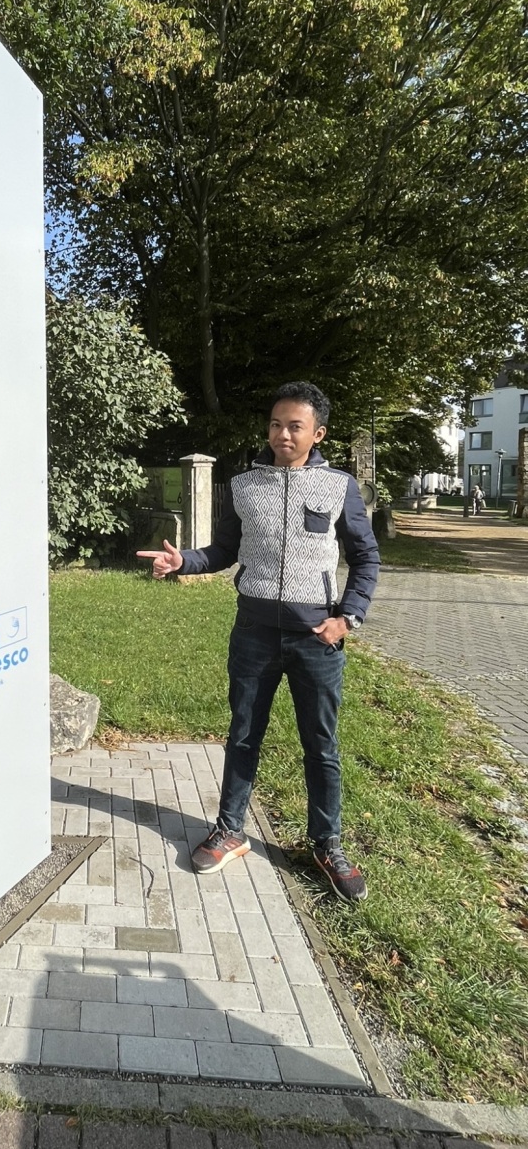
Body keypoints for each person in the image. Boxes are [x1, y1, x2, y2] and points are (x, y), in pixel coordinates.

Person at [137, 382, 380, 903]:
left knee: (321, 745)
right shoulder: (247, 486)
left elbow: (366, 559)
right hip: (253, 635)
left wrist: (348, 619)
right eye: (275, 424)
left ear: (318, 433)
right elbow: (223, 550)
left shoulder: (340, 487)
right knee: (244, 733)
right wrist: (185, 561)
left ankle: (326, 844)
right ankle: (231, 829)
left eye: (295, 426)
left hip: (317, 638)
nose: (282, 434)